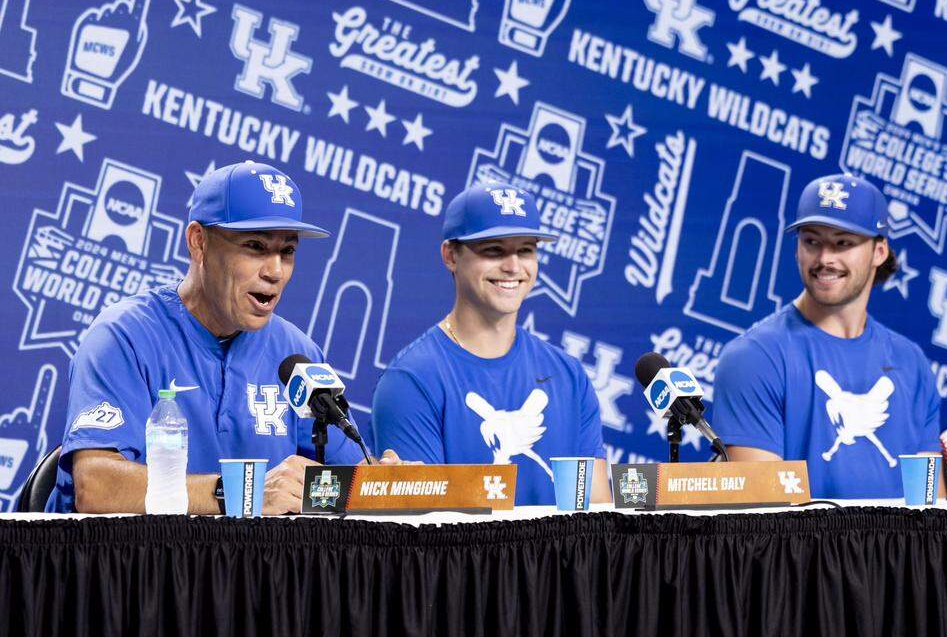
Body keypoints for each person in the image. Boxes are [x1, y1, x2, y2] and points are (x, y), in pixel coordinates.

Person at [47, 160, 377, 514]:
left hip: (253, 565)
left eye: (288, 251)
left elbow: (352, 477)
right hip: (131, 563)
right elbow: (95, 487)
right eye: (254, 246)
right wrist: (243, 493)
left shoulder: (297, 352)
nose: (275, 272)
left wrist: (384, 483)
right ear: (198, 242)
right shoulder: (123, 337)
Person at [371, 182, 610, 505]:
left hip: (566, 557)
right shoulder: (411, 380)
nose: (513, 266)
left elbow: (595, 512)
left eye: (525, 249)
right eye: (494, 250)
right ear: (450, 256)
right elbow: (425, 531)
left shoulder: (569, 375)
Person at [708, 173, 942, 498]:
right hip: (799, 549)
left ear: (879, 252)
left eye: (843, 242)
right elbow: (761, 515)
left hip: (902, 549)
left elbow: (930, 501)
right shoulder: (753, 357)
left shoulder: (910, 362)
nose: (824, 259)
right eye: (811, 241)